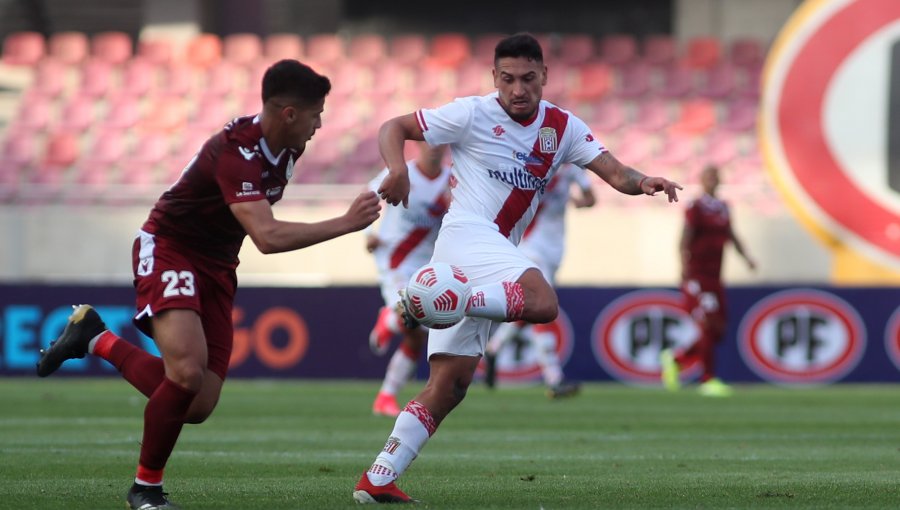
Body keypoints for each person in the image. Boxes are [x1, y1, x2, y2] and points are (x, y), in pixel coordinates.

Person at [35, 59, 381, 510]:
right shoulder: (237, 152)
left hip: (216, 266)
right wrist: (345, 223)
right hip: (170, 247)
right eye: (316, 113)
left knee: (196, 404)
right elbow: (268, 237)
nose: (321, 123)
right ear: (288, 113)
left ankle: (95, 338)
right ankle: (145, 491)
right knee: (185, 373)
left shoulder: (288, 149)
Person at [352, 33, 682, 504]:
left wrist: (643, 181)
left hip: (475, 253)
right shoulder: (471, 113)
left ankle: (378, 478)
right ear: (494, 78)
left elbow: (613, 171)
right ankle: (433, 301)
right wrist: (397, 169)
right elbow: (392, 127)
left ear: (544, 76)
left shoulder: (562, 128)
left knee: (450, 385)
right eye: (507, 79)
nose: (518, 89)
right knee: (542, 301)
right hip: (468, 234)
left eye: (528, 78)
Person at [483, 163, 595, 398]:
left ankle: (494, 347)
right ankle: (554, 379)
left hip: (556, 248)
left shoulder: (573, 169)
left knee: (530, 311)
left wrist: (579, 202)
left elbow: (591, 199)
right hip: (531, 246)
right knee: (545, 304)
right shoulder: (533, 163)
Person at [366, 142, 451, 417]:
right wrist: (368, 232)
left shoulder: (452, 181)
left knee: (417, 335)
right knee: (411, 317)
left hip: (427, 266)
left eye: (440, 144)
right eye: (429, 143)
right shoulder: (402, 173)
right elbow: (368, 194)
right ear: (417, 145)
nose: (434, 149)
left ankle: (385, 397)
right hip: (396, 259)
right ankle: (388, 319)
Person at [660, 164, 756, 397]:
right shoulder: (696, 207)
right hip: (697, 276)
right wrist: (684, 268)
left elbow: (732, 235)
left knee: (718, 330)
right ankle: (707, 379)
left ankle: (676, 359)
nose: (713, 180)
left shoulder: (723, 207)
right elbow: (685, 238)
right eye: (708, 176)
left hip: (715, 278)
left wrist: (747, 258)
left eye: (716, 176)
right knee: (706, 324)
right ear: (701, 180)